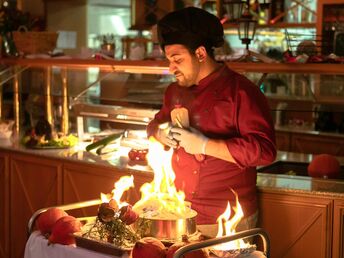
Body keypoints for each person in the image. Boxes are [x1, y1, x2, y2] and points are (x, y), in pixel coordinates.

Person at [146, 6, 276, 236]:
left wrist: (205, 145)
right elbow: (154, 125)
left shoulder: (242, 92)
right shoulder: (174, 91)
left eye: (177, 59)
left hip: (229, 220)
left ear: (200, 53)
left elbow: (264, 151)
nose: (170, 68)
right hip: (180, 212)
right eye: (168, 60)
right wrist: (161, 133)